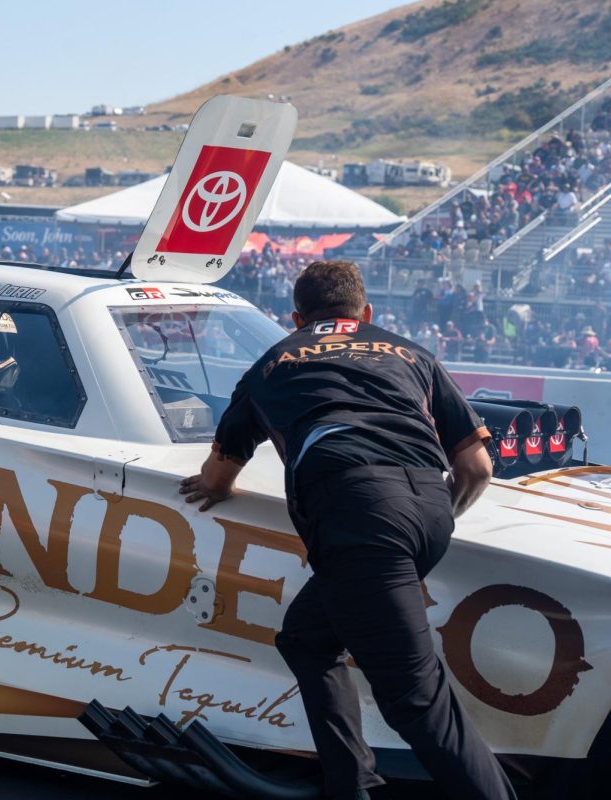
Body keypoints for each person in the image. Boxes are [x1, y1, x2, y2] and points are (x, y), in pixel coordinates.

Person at [179, 261, 513, 800]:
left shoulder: (271, 364)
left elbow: (218, 475)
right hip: (430, 507)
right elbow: (477, 467)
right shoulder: (411, 353)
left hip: (359, 514)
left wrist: (213, 487)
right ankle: (350, 785)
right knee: (307, 639)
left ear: (295, 319)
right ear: (368, 313)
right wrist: (419, 521)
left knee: (415, 699)